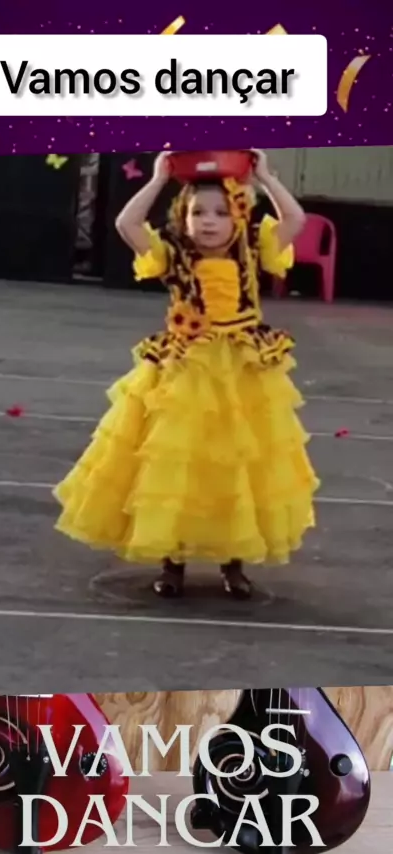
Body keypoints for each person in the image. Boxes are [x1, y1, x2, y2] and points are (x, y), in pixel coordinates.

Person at [53, 149, 319, 600]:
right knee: (175, 463)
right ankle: (171, 560)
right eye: (198, 212)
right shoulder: (173, 254)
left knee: (236, 463)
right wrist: (158, 179)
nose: (209, 222)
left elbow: (294, 219)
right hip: (186, 370)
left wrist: (266, 178)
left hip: (241, 370)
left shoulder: (255, 248)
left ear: (239, 215)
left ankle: (233, 562)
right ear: (183, 216)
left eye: (220, 212)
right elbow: (127, 225)